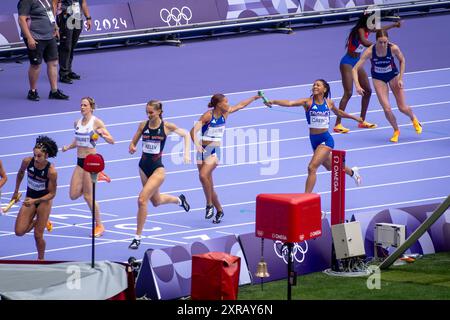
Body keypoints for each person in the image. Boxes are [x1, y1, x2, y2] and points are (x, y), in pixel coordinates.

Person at [265, 79, 362, 193]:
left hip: (326, 140)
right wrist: (273, 101)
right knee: (331, 167)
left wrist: (354, 117)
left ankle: (306, 199)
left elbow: (339, 112)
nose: (315, 86)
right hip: (314, 140)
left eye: (318, 85)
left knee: (312, 168)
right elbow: (290, 102)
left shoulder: (329, 103)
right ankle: (352, 172)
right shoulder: (308, 102)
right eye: (314, 85)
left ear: (324, 89)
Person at [128, 100, 191, 250]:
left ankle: (137, 237)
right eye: (147, 112)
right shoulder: (143, 125)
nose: (148, 115)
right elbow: (133, 142)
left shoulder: (167, 126)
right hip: (143, 167)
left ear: (159, 112)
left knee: (142, 200)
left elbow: (186, 134)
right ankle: (179, 200)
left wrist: (187, 153)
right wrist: (132, 146)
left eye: (151, 112)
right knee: (155, 201)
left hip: (158, 169)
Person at [190, 94, 261, 224]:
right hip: (202, 151)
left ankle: (209, 205)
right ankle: (220, 211)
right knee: (209, 185)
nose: (228, 104)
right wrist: (198, 146)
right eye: (226, 102)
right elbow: (192, 131)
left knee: (202, 176)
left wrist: (254, 98)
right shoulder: (208, 116)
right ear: (218, 104)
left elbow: (241, 105)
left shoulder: (226, 113)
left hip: (214, 151)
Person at [334, 12, 401, 133]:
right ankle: (337, 124)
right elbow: (364, 42)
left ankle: (362, 120)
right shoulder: (360, 29)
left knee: (368, 91)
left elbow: (380, 30)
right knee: (348, 93)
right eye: (373, 22)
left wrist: (393, 25)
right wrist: (380, 45)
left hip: (356, 61)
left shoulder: (368, 29)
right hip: (347, 62)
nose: (374, 25)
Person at [353, 30, 422, 143]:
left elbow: (402, 60)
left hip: (393, 76)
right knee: (387, 108)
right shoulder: (370, 51)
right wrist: (357, 85)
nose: (383, 45)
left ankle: (413, 118)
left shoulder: (393, 48)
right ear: (376, 41)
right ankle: (396, 131)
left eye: (385, 42)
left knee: (402, 107)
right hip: (378, 78)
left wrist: (401, 78)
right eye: (380, 42)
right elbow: (354, 69)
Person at [62, 97, 114, 237]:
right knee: (73, 195)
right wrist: (68, 147)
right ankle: (98, 177)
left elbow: (112, 140)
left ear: (91, 107)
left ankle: (100, 225)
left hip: (90, 162)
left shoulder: (96, 122)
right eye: (81, 105)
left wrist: (102, 135)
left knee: (87, 196)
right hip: (79, 162)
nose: (82, 107)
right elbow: (78, 140)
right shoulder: (77, 123)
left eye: (85, 105)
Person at [13, 136, 58, 260]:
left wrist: (35, 201)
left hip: (44, 201)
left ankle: (41, 259)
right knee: (19, 232)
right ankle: (37, 222)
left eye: (39, 156)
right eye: (35, 155)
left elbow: (52, 194)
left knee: (38, 235)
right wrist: (16, 191)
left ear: (46, 155)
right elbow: (21, 173)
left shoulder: (51, 172)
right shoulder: (27, 161)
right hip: (30, 197)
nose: (36, 158)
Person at [17, 0, 69, 101]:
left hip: (50, 36)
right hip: (35, 37)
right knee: (36, 65)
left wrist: (55, 27)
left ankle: (54, 91)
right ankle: (32, 91)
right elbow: (21, 20)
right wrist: (29, 38)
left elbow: (49, 13)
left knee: (53, 63)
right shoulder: (26, 1)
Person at [52, 0, 91, 84]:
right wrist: (53, 23)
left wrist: (88, 18)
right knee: (66, 45)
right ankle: (63, 73)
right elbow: (54, 4)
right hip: (65, 17)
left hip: (77, 17)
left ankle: (68, 70)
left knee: (72, 45)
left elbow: (83, 3)